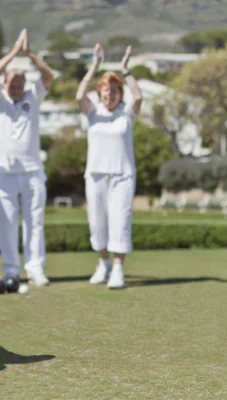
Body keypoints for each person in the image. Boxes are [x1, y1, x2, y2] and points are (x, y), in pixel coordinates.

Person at [0, 29, 54, 286]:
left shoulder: (33, 97)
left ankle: (35, 268)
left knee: (35, 222)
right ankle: (11, 269)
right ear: (5, 85)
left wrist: (30, 54)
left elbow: (48, 75)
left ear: (24, 85)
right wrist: (14, 52)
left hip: (33, 171)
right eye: (11, 83)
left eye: (18, 84)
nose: (15, 88)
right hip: (3, 174)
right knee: (8, 224)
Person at [75, 44, 143, 289]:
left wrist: (126, 70)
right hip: (95, 175)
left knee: (120, 222)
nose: (109, 95)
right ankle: (102, 263)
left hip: (122, 176)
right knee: (97, 222)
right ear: (100, 93)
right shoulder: (94, 113)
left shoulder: (127, 113)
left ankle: (117, 269)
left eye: (113, 91)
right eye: (105, 91)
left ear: (119, 93)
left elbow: (139, 97)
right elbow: (78, 96)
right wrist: (93, 67)